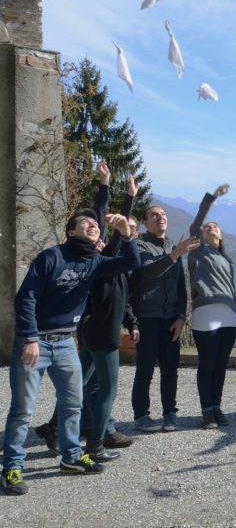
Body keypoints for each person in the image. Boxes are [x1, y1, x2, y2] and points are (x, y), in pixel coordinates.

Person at [2, 210, 140, 496]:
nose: (91, 225)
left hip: (65, 342)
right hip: (35, 342)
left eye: (94, 223)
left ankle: (71, 458)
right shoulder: (52, 257)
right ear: (71, 232)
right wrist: (29, 338)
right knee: (22, 410)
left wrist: (126, 234)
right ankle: (12, 468)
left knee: (72, 405)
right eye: (84, 223)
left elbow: (130, 261)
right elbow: (25, 298)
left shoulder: (94, 261)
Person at [33, 163, 138, 458]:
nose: (102, 236)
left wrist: (109, 185)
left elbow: (104, 223)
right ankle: (96, 444)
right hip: (101, 330)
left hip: (94, 329)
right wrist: (121, 197)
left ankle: (52, 428)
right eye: (98, 236)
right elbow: (106, 222)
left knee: (80, 384)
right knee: (106, 391)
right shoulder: (99, 262)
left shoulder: (105, 260)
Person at [129, 200, 199, 432]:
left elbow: (181, 286)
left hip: (171, 320)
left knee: (170, 370)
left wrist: (181, 317)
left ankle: (170, 413)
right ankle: (141, 415)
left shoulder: (172, 245)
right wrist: (176, 254)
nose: (161, 218)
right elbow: (148, 271)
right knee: (145, 370)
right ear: (145, 222)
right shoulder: (140, 246)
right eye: (154, 215)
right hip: (147, 318)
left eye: (163, 215)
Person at [188, 184, 236, 429]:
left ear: (221, 236)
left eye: (215, 226)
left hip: (229, 316)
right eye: (208, 227)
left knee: (220, 365)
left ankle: (216, 407)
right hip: (205, 312)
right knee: (207, 363)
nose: (210, 227)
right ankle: (206, 412)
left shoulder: (226, 259)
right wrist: (212, 197)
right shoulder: (197, 250)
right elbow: (197, 221)